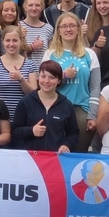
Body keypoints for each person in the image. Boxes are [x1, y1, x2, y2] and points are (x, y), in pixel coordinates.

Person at [42, 13, 100, 153]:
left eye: (72, 26)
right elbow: (43, 83)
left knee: (78, 152)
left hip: (81, 110)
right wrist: (64, 76)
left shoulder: (89, 54)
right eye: (64, 26)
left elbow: (95, 86)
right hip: (56, 107)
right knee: (54, 152)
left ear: (79, 29)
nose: (68, 29)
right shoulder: (50, 54)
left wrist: (92, 115)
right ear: (59, 31)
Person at [11, 60, 79, 153]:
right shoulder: (26, 101)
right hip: (31, 159)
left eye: (52, 78)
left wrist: (66, 145)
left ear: (59, 80)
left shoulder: (66, 105)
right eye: (43, 76)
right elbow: (15, 131)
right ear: (38, 78)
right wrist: (31, 131)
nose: (46, 81)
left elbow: (74, 133)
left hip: (55, 158)